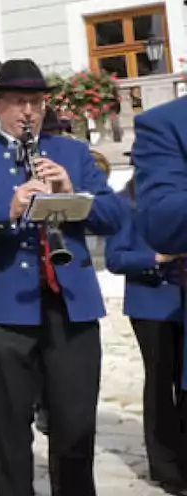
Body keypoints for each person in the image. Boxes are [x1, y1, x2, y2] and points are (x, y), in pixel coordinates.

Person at [0, 58, 123, 496]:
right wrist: (8, 209)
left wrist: (69, 194)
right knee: (7, 435)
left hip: (70, 308)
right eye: (19, 102)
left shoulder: (73, 153)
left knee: (76, 428)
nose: (29, 112)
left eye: (37, 102)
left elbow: (115, 215)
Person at [106, 151, 187, 494]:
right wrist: (158, 258)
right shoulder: (126, 204)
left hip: (183, 305)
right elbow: (114, 258)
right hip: (151, 305)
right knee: (159, 385)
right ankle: (165, 467)